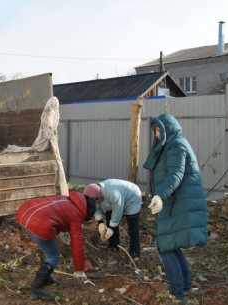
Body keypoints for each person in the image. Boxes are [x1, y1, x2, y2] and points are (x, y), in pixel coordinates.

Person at [143, 114, 208, 303]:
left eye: (158, 130)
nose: (156, 135)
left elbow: (176, 174)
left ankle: (177, 293)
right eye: (155, 131)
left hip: (178, 203)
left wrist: (160, 195)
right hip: (176, 202)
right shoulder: (174, 144)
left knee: (163, 246)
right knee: (171, 245)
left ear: (167, 129)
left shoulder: (175, 146)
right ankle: (186, 286)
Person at [16, 191, 95, 301]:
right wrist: (79, 270)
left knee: (47, 249)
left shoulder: (67, 199)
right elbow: (78, 245)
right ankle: (36, 288)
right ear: (88, 213)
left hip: (24, 212)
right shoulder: (76, 214)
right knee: (53, 256)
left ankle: (46, 278)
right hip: (38, 223)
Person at [83, 179, 142, 258]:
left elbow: (117, 210)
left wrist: (111, 228)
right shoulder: (94, 195)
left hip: (132, 196)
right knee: (109, 216)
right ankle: (113, 246)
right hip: (112, 202)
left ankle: (135, 252)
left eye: (98, 198)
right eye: (95, 200)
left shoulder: (113, 193)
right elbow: (96, 208)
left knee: (132, 223)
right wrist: (100, 223)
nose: (98, 200)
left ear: (100, 192)